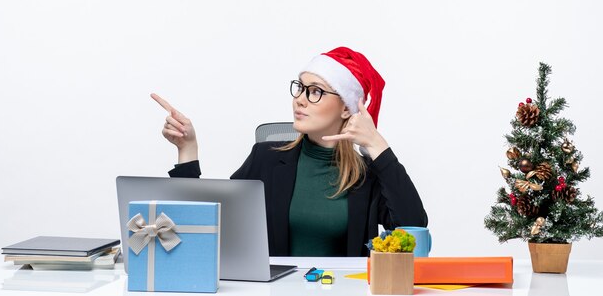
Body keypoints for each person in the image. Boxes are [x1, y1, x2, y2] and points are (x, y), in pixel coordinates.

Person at [152, 46, 427, 257]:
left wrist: (377, 145)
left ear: (346, 108)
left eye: (315, 91)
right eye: (300, 88)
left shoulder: (367, 175)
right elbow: (204, 224)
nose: (300, 99)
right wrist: (187, 149)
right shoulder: (266, 159)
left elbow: (414, 231)